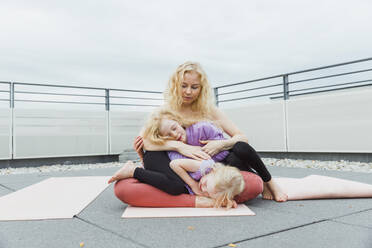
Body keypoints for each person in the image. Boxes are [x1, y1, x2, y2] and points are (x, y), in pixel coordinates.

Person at [112, 61, 272, 207]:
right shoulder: (165, 111)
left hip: (207, 169)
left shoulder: (210, 111)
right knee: (126, 188)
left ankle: (266, 183)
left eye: (194, 87)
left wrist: (221, 144)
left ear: (202, 89)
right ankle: (196, 199)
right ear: (175, 85)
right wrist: (179, 146)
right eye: (183, 86)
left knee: (253, 182)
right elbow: (145, 141)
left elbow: (241, 138)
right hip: (177, 169)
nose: (188, 92)